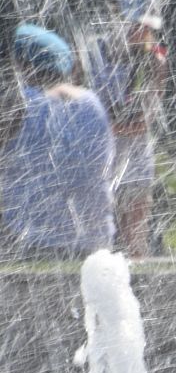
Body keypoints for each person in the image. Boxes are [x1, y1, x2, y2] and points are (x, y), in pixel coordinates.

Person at [1, 22, 115, 257]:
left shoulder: (20, 104)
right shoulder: (92, 103)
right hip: (94, 239)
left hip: (31, 238)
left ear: (22, 65)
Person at [81, 0, 169, 258]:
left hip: (135, 161)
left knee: (134, 243)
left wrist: (106, 121)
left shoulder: (155, 60)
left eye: (145, 26)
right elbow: (80, 108)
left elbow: (145, 120)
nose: (139, 32)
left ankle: (141, 293)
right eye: (133, 24)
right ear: (116, 18)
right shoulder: (92, 54)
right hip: (98, 160)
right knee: (99, 243)